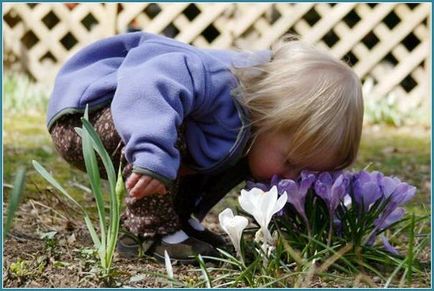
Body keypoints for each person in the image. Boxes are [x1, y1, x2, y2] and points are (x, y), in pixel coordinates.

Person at [47, 32, 364, 264]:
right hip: (87, 117)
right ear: (270, 111)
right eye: (291, 161)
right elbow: (148, 83)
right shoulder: (216, 80)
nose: (290, 176)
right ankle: (148, 231)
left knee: (225, 153)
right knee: (169, 129)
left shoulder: (256, 130)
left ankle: (177, 220)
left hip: (129, 121)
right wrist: (152, 154)